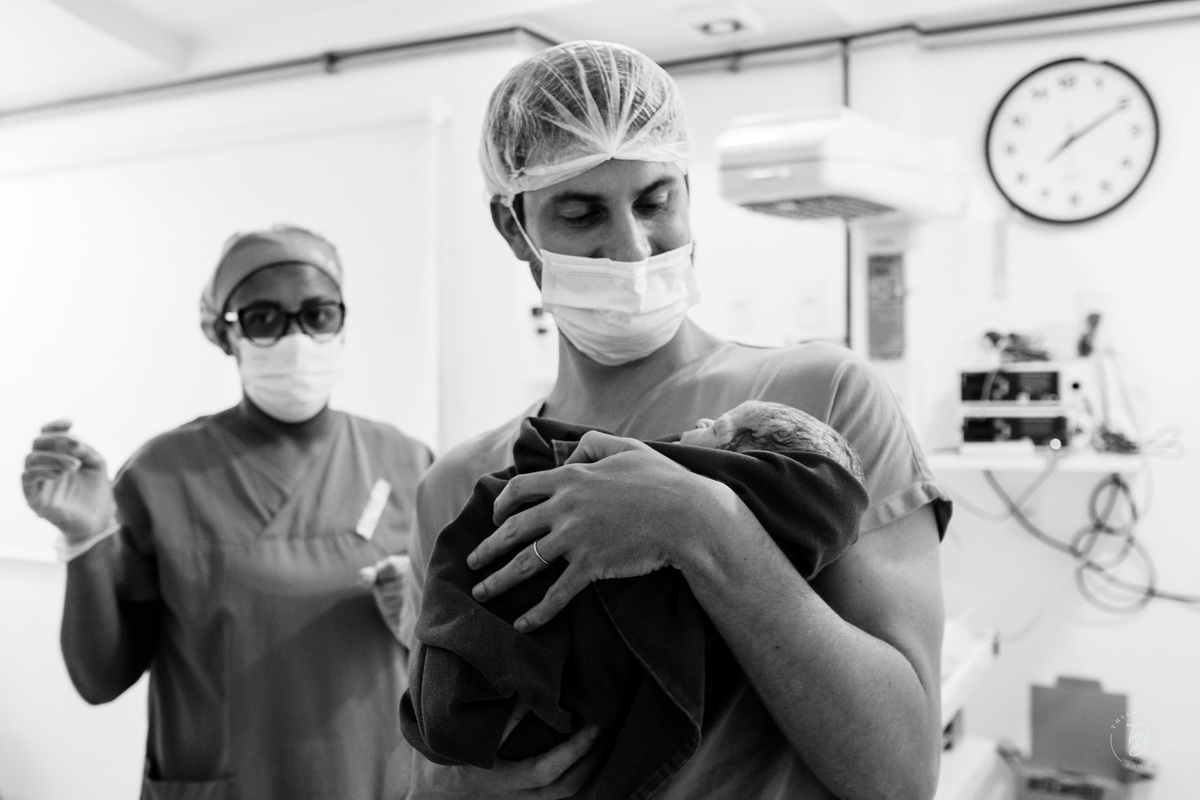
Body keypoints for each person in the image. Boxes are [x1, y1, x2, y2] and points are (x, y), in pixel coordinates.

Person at [402, 40, 951, 800]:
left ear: (688, 191)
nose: (631, 246)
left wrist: (706, 525)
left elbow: (901, 773)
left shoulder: (817, 402)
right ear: (513, 226)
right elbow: (438, 735)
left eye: (655, 200)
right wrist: (448, 794)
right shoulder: (460, 484)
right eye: (581, 211)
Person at [20, 225, 434, 799]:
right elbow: (100, 679)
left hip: (374, 780)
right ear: (224, 333)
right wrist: (85, 541)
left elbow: (459, 662)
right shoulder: (163, 475)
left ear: (341, 322)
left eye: (318, 314)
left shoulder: (410, 463)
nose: (297, 338)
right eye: (263, 318)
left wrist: (422, 625)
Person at [403, 400, 869, 800]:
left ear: (729, 438)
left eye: (713, 426)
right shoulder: (449, 476)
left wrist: (696, 513)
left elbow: (834, 500)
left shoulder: (841, 388)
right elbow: (418, 775)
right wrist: (437, 790)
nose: (701, 423)